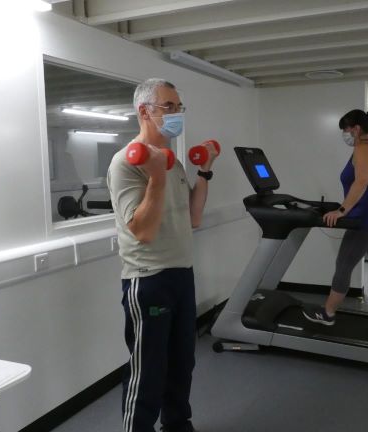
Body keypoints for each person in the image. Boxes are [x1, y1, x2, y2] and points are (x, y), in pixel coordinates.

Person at [107, 78, 218, 432]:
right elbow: (143, 230)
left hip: (182, 274)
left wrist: (205, 171)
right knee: (148, 369)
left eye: (178, 107)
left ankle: (177, 425)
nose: (176, 115)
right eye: (168, 107)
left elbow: (193, 216)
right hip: (148, 278)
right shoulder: (126, 163)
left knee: (182, 362)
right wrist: (155, 177)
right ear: (144, 112)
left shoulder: (174, 164)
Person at [302, 109, 368, 334]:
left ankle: (327, 314)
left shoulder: (363, 148)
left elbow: (361, 182)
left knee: (343, 265)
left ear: (355, 129)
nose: (344, 135)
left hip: (366, 221)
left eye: (345, 130)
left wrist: (341, 210)